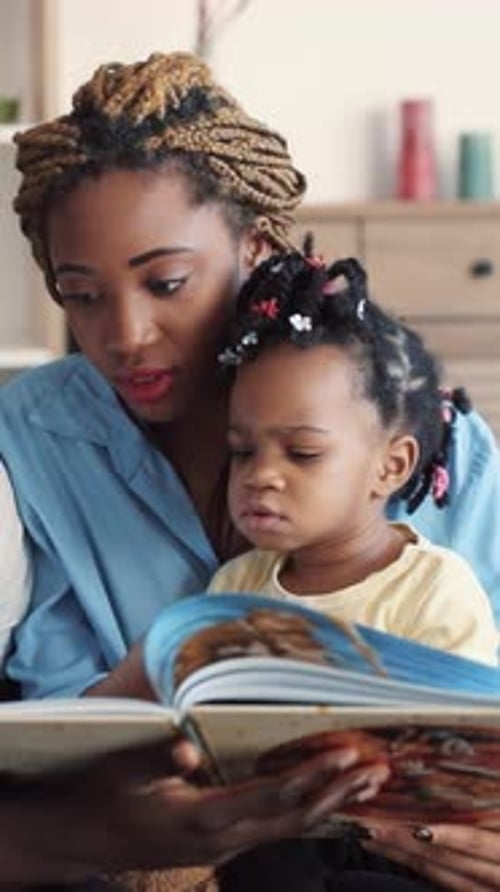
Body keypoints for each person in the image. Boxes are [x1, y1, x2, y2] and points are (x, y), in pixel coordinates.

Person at [0, 49, 497, 890]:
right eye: (80, 294)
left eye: (168, 282)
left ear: (256, 244)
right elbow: (50, 734)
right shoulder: (34, 443)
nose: (124, 335)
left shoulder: (433, 441)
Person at [208, 250, 498, 665]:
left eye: (303, 453)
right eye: (243, 452)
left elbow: (464, 724)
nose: (262, 475)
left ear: (391, 466)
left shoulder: (432, 591)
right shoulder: (233, 589)